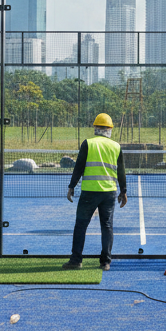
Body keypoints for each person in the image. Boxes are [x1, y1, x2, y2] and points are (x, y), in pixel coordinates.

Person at [63, 113, 127, 271]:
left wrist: (71, 186)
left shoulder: (88, 143)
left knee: (81, 225)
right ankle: (105, 262)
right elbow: (121, 171)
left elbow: (79, 167)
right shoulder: (116, 146)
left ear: (95, 127)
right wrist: (123, 191)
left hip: (89, 192)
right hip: (109, 192)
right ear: (110, 129)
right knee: (107, 226)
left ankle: (76, 260)